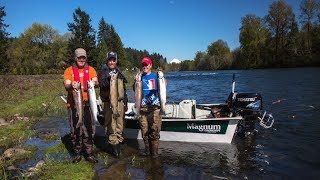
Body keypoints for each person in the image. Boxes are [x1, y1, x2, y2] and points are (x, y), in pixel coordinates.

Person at [63, 48, 99, 163]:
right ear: (75, 58)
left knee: (89, 129)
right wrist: (71, 85)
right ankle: (77, 153)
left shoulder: (91, 70)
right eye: (79, 57)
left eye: (83, 57)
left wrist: (94, 83)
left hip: (88, 105)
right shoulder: (69, 71)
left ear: (86, 58)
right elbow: (67, 85)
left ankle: (88, 153)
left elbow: (96, 82)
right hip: (74, 106)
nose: (81, 59)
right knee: (75, 130)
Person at [98, 51, 128, 158]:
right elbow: (101, 84)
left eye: (113, 60)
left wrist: (125, 102)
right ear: (107, 61)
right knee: (111, 126)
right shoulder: (103, 72)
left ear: (116, 61)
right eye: (110, 60)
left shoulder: (119, 72)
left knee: (120, 125)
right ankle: (114, 148)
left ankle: (118, 143)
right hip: (108, 103)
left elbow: (123, 89)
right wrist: (109, 79)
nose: (111, 62)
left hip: (119, 102)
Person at [135, 57, 163, 157]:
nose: (144, 66)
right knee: (145, 133)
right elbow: (136, 92)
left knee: (154, 132)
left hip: (155, 108)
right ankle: (147, 153)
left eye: (146, 64)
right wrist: (135, 82)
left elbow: (164, 85)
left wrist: (163, 79)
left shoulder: (156, 76)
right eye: (143, 65)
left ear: (150, 65)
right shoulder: (140, 77)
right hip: (142, 109)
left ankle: (154, 154)